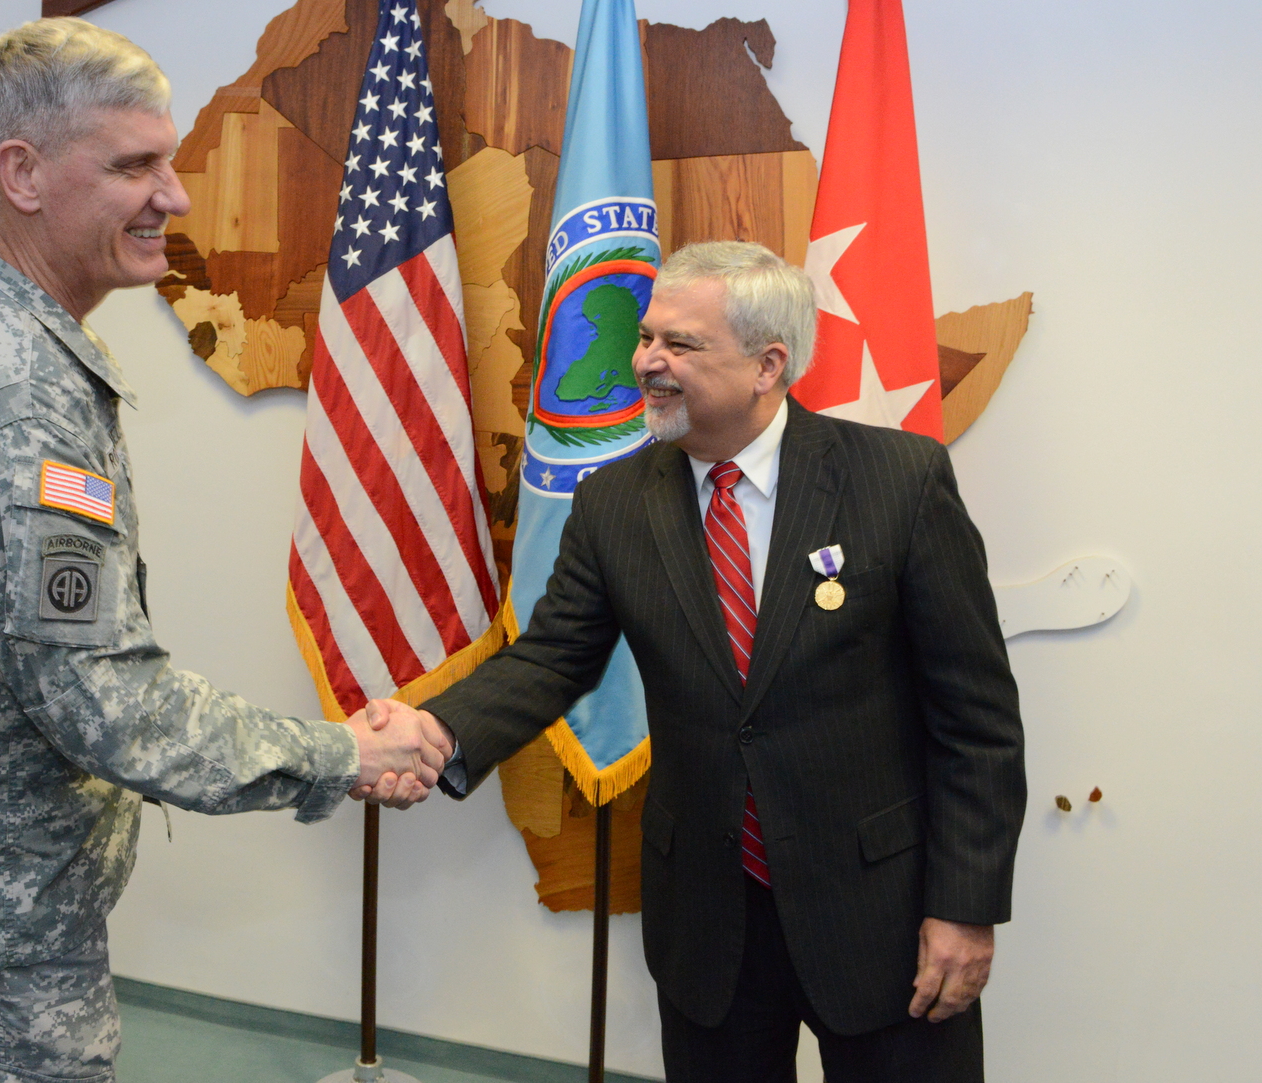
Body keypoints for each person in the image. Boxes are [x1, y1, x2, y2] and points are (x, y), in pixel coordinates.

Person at [0, 19, 448, 1082]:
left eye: (168, 158)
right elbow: (102, 700)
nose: (175, 195)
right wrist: (342, 756)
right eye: (133, 165)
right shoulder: (18, 395)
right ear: (21, 172)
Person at [393, 241, 1026, 1081]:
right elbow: (550, 659)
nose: (645, 360)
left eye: (679, 345)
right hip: (709, 921)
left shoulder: (897, 482)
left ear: (769, 364)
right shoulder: (615, 501)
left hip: (883, 916)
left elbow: (977, 722)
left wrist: (965, 907)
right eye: (648, 336)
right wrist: (433, 729)